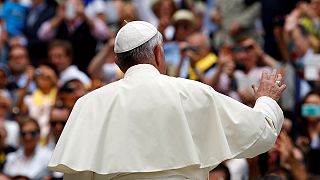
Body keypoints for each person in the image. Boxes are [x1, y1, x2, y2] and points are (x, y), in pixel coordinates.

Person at [49, 21, 286, 179]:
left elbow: (76, 174)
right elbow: (260, 136)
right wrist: (266, 100)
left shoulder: (88, 105)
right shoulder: (192, 92)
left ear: (117, 64)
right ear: (158, 53)